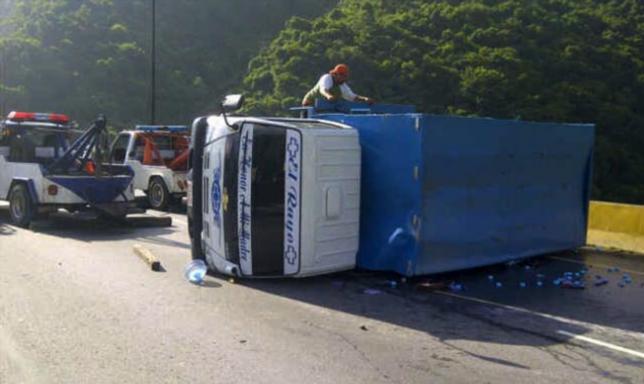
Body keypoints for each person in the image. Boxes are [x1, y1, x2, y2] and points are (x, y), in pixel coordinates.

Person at [302, 64, 374, 106]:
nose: (344, 78)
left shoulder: (342, 85)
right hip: (309, 105)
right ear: (335, 74)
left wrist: (364, 99)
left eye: (345, 76)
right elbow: (323, 90)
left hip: (323, 108)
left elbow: (352, 97)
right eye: (342, 76)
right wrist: (329, 96)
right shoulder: (327, 77)